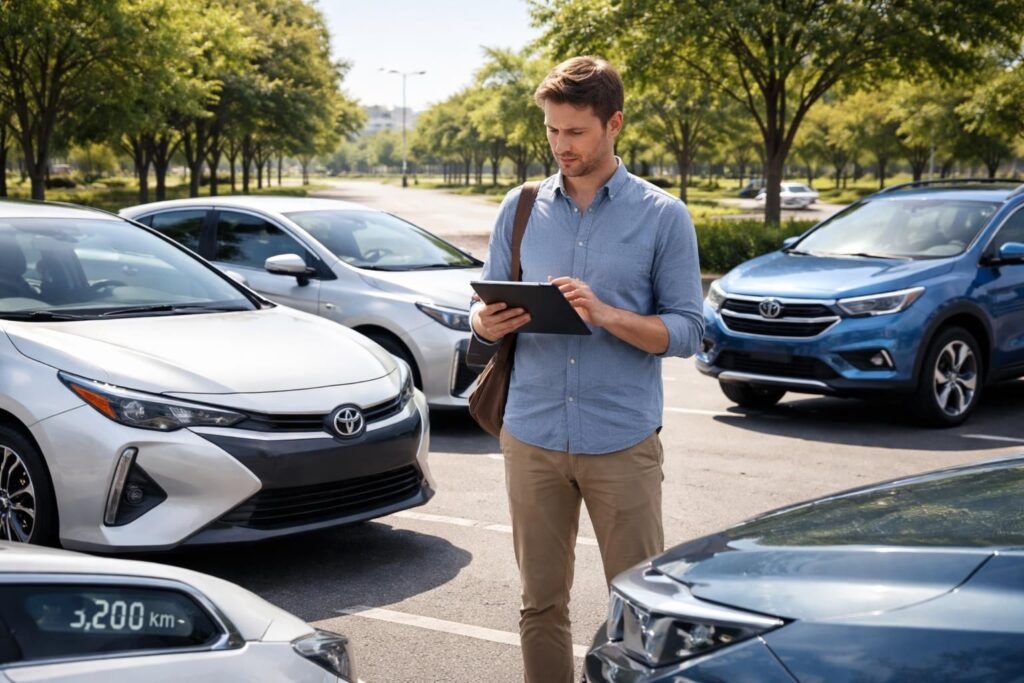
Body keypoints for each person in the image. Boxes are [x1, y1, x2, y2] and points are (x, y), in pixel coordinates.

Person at [469, 56, 705, 683]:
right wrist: (484, 323)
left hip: (621, 440)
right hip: (531, 433)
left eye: (574, 131)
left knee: (640, 611)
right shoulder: (520, 207)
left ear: (614, 124)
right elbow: (483, 304)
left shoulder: (663, 215)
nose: (560, 145)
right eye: (551, 130)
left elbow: (689, 330)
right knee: (539, 604)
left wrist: (606, 314)